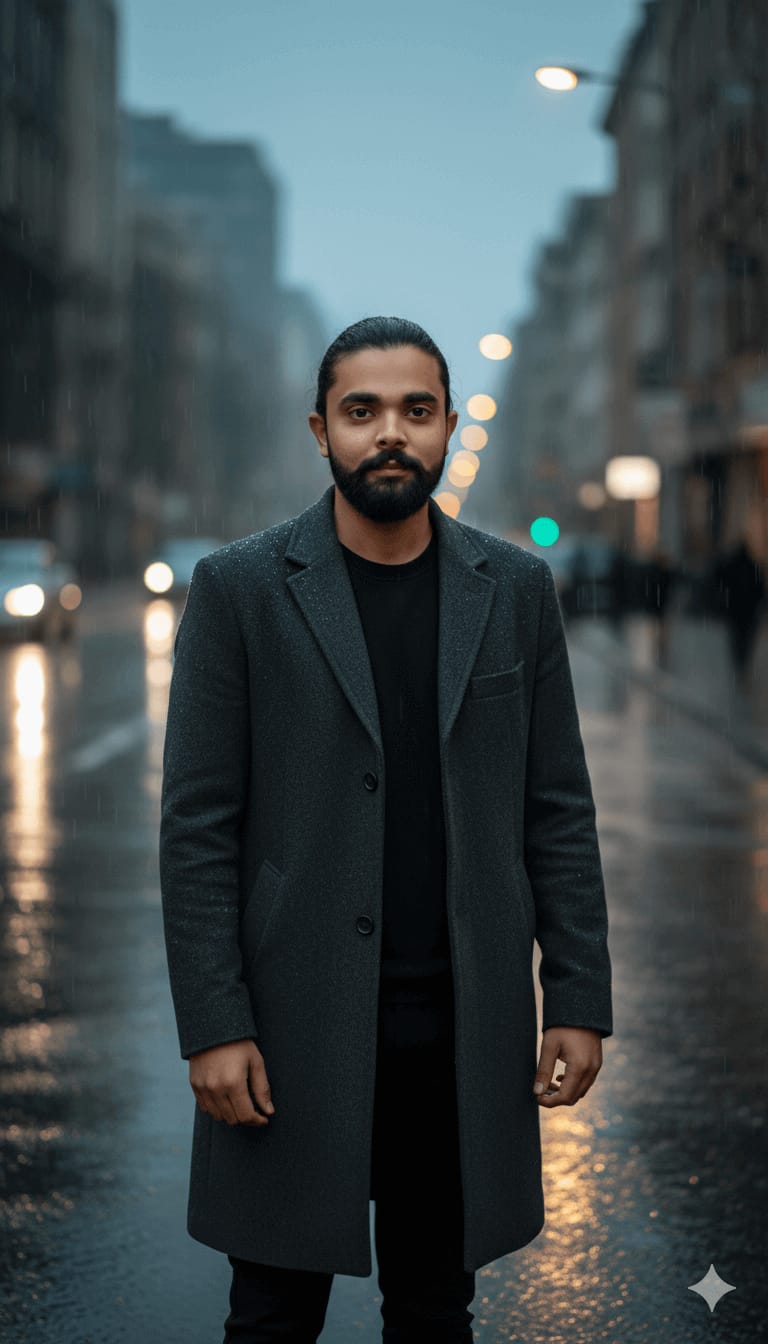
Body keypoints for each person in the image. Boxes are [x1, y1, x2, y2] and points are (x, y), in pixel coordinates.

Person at [159, 316, 613, 1343]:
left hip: (461, 1032)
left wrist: (579, 996)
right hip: (290, 1025)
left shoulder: (515, 591)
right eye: (362, 411)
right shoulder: (240, 589)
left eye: (416, 409)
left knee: (434, 1310)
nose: (390, 433)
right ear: (320, 429)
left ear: (449, 425)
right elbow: (197, 827)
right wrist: (214, 1023)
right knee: (271, 1312)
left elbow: (558, 810)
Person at [712, 537, 766, 686]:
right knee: (745, 643)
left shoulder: (734, 565)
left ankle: (740, 669)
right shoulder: (752, 565)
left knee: (737, 643)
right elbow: (760, 589)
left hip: (736, 612)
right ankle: (742, 670)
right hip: (748, 613)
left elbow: (718, 577)